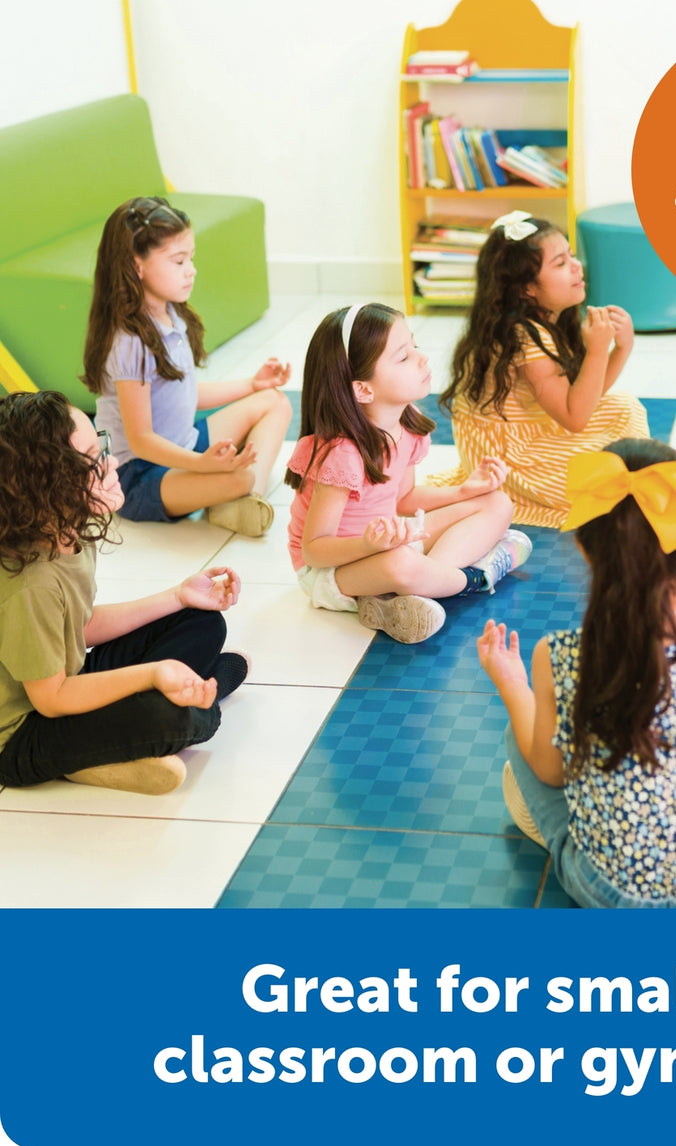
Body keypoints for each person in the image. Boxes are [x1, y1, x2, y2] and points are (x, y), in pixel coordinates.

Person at [477, 438, 676, 908]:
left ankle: (550, 832)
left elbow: (550, 771)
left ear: (583, 547)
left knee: (518, 732)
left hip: (603, 892)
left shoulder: (556, 654)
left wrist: (511, 683)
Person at [0, 390, 247, 796]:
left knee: (201, 622)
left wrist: (180, 596)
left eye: (103, 446)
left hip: (69, 679)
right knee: (176, 717)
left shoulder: (68, 530)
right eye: (95, 460)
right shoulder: (32, 583)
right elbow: (51, 699)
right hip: (22, 735)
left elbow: (82, 625)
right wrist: (150, 674)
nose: (112, 463)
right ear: (48, 488)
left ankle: (112, 748)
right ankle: (104, 753)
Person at [284, 303, 530, 645]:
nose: (422, 358)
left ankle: (416, 591)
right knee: (399, 563)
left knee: (496, 502)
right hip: (331, 571)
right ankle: (473, 577)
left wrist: (463, 492)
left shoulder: (407, 425)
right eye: (403, 357)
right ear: (364, 389)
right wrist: (368, 545)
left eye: (414, 345)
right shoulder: (342, 454)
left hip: (387, 544)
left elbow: (404, 499)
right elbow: (314, 550)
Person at [82, 196, 292, 538]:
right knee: (241, 475)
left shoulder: (170, 313)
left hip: (183, 445)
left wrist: (253, 384)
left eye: (190, 258)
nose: (191, 269)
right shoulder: (130, 342)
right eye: (178, 261)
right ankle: (237, 490)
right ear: (137, 266)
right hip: (140, 474)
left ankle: (240, 497)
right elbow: (141, 440)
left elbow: (184, 394)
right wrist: (202, 465)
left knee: (274, 400)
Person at [435, 211, 649, 527]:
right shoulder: (522, 337)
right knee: (610, 475)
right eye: (560, 264)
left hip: (538, 426)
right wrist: (597, 351)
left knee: (625, 407)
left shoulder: (544, 323)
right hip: (510, 458)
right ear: (526, 289)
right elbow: (576, 418)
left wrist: (622, 348)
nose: (577, 266)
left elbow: (583, 401)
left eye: (572, 256)